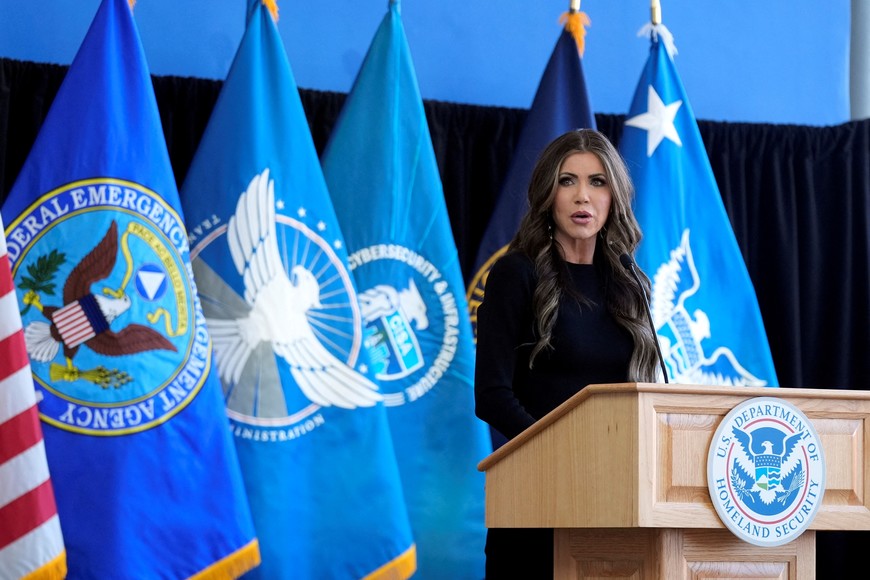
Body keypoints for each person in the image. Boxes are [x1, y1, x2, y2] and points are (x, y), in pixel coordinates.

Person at [474, 128, 661, 578]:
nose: (583, 196)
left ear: (614, 196)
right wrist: (565, 455)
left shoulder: (628, 282)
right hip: (535, 494)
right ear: (547, 194)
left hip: (614, 497)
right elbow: (492, 394)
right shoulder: (516, 274)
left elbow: (641, 389)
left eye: (598, 182)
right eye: (567, 181)